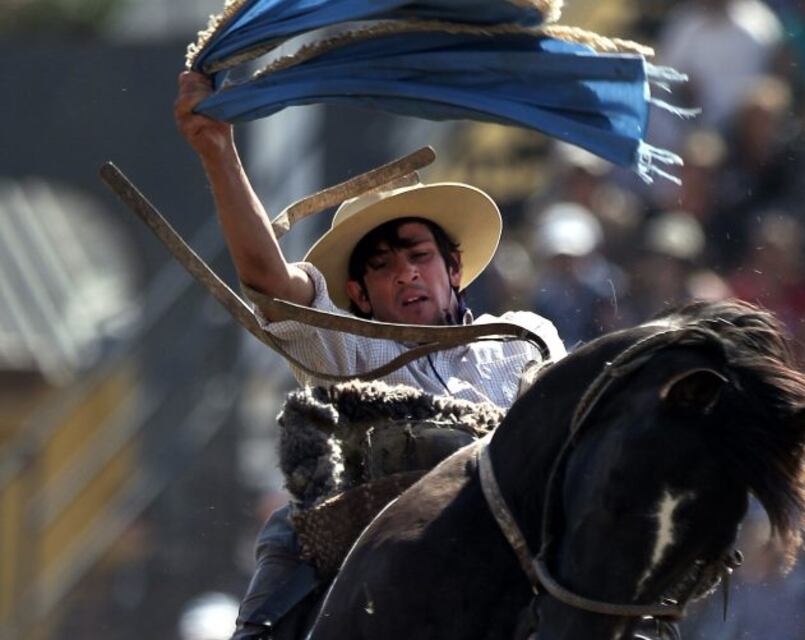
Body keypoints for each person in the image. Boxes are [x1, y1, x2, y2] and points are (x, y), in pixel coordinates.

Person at [174, 70, 565, 638]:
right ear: (357, 294)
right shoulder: (343, 343)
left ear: (452, 269)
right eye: (381, 265)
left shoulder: (521, 335)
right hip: (387, 561)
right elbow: (267, 278)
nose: (405, 271)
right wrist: (219, 150)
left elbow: (558, 435)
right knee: (290, 529)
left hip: (518, 549)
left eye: (419, 254)